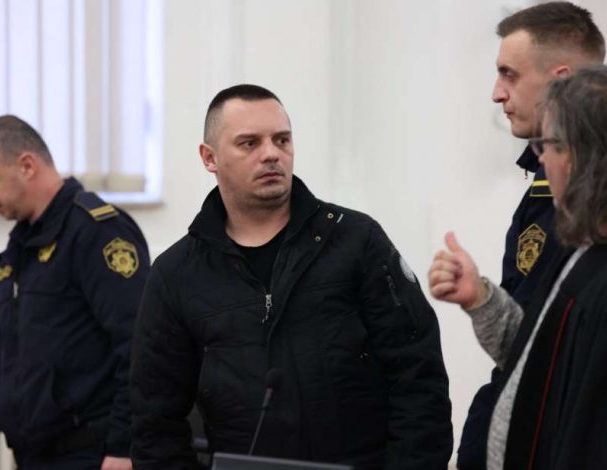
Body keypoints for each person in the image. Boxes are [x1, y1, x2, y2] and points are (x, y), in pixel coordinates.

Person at [129, 84, 453, 469]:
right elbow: (154, 422)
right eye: (249, 143)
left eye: (281, 140)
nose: (271, 154)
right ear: (209, 157)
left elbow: (418, 376)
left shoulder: (355, 241)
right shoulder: (177, 274)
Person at [430, 65, 607, 470]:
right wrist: (480, 298)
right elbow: (538, 361)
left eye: (547, 145)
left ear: (585, 154)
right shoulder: (583, 242)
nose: (541, 159)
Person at [0, 115, 149, 470]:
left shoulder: (96, 233)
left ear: (27, 166)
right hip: (36, 458)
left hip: (94, 456)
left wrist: (124, 448)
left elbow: (142, 347)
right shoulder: (17, 253)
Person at [458, 3, 605, 468]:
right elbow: (526, 346)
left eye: (510, 74)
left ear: (562, 81)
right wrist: (481, 297)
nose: (496, 94)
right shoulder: (542, 188)